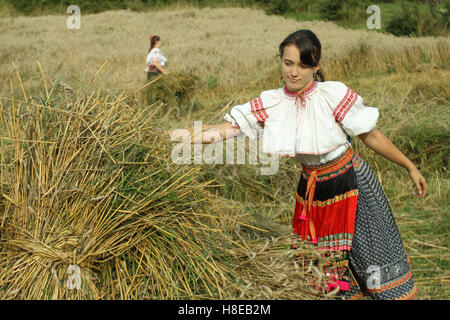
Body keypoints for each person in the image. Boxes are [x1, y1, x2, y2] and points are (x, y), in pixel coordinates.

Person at [169, 29, 426, 300]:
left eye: (303, 65)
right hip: (313, 194)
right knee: (325, 274)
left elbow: (370, 135)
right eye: (288, 63)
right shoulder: (273, 102)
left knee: (374, 261)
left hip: (354, 185)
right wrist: (175, 137)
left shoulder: (332, 95)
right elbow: (224, 130)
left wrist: (409, 166)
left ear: (316, 67)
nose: (294, 72)